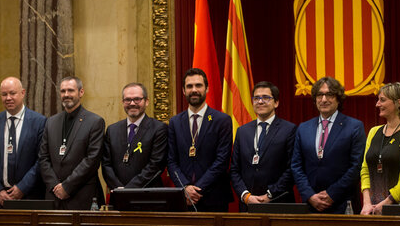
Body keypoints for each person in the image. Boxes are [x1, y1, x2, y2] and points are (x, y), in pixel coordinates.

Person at [291, 76, 366, 213]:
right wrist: (310, 195)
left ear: (338, 98)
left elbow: (357, 167)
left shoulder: (354, 126)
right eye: (320, 95)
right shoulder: (303, 128)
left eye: (329, 94)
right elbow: (296, 166)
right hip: (310, 206)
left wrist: (332, 194)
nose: (324, 99)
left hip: (342, 204)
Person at [167, 68, 233, 212]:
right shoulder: (175, 122)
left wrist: (197, 190)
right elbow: (171, 161)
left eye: (198, 85)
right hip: (183, 198)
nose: (194, 90)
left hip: (214, 197)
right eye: (189, 86)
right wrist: (185, 187)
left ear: (207, 88)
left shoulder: (222, 120)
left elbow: (222, 161)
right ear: (183, 91)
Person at [39, 76, 105, 210]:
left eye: (70, 90)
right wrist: (54, 185)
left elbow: (92, 160)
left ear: (81, 92)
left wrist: (67, 187)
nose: (66, 95)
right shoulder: (51, 122)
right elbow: (43, 157)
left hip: (81, 196)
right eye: (63, 91)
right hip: (53, 196)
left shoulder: (95, 122)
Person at [0, 77, 46, 206]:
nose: (8, 98)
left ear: (23, 93)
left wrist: (22, 188)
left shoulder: (39, 122)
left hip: (29, 197)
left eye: (12, 93)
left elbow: (42, 160)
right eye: (4, 94)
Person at [360, 82, 400, 215]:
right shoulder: (373, 132)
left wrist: (387, 203)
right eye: (378, 100)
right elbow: (365, 170)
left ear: (398, 103)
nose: (377, 104)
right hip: (373, 210)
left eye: (382, 100)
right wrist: (367, 203)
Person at [231, 81, 297, 211]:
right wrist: (245, 195)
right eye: (256, 98)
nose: (260, 102)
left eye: (266, 98)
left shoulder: (289, 130)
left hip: (279, 203)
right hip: (248, 205)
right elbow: (234, 169)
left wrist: (270, 195)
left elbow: (292, 169)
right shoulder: (242, 131)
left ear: (276, 103)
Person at [102, 83, 167, 189]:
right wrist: (117, 188)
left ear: (146, 101)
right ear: (123, 102)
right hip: (118, 195)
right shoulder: (112, 130)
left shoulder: (159, 129)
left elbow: (155, 165)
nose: (132, 103)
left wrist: (129, 190)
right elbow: (106, 165)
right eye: (127, 100)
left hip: (147, 195)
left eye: (137, 99)